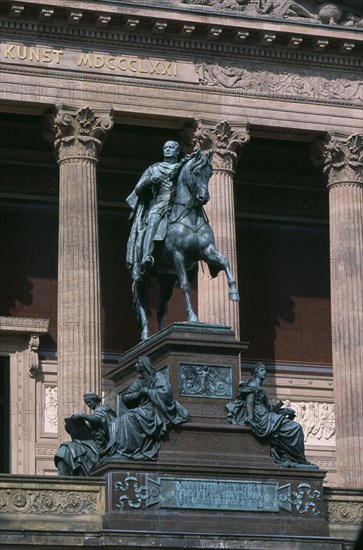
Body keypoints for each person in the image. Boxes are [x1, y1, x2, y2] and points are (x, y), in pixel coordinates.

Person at [226, 363, 315, 468]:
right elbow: (249, 403)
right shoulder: (251, 386)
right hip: (261, 418)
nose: (265, 372)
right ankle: (299, 459)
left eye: (265, 370)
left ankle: (296, 458)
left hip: (266, 415)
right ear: (255, 372)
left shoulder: (260, 388)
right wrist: (250, 418)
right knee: (296, 428)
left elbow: (268, 409)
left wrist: (282, 411)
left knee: (295, 427)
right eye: (261, 370)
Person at [106, 355, 189, 461]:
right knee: (117, 421)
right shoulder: (139, 382)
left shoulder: (158, 377)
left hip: (156, 409)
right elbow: (125, 397)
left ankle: (128, 450)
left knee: (128, 418)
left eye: (138, 363)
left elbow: (165, 393)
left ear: (145, 364)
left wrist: (148, 392)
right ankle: (122, 450)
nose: (136, 365)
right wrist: (140, 393)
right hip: (145, 409)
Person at [126, 141, 181, 280]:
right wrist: (149, 180)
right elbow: (138, 190)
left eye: (171, 148)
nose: (168, 150)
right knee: (153, 222)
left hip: (179, 204)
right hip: (159, 204)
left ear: (177, 151)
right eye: (166, 148)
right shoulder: (154, 168)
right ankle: (146, 256)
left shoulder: (183, 168)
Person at [54, 393, 116, 476]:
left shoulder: (103, 410)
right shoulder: (96, 413)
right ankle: (64, 479)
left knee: (67, 449)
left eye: (89, 402)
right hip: (92, 443)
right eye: (87, 403)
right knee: (66, 448)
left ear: (95, 401)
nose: (88, 405)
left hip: (104, 445)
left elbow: (97, 419)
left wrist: (82, 415)